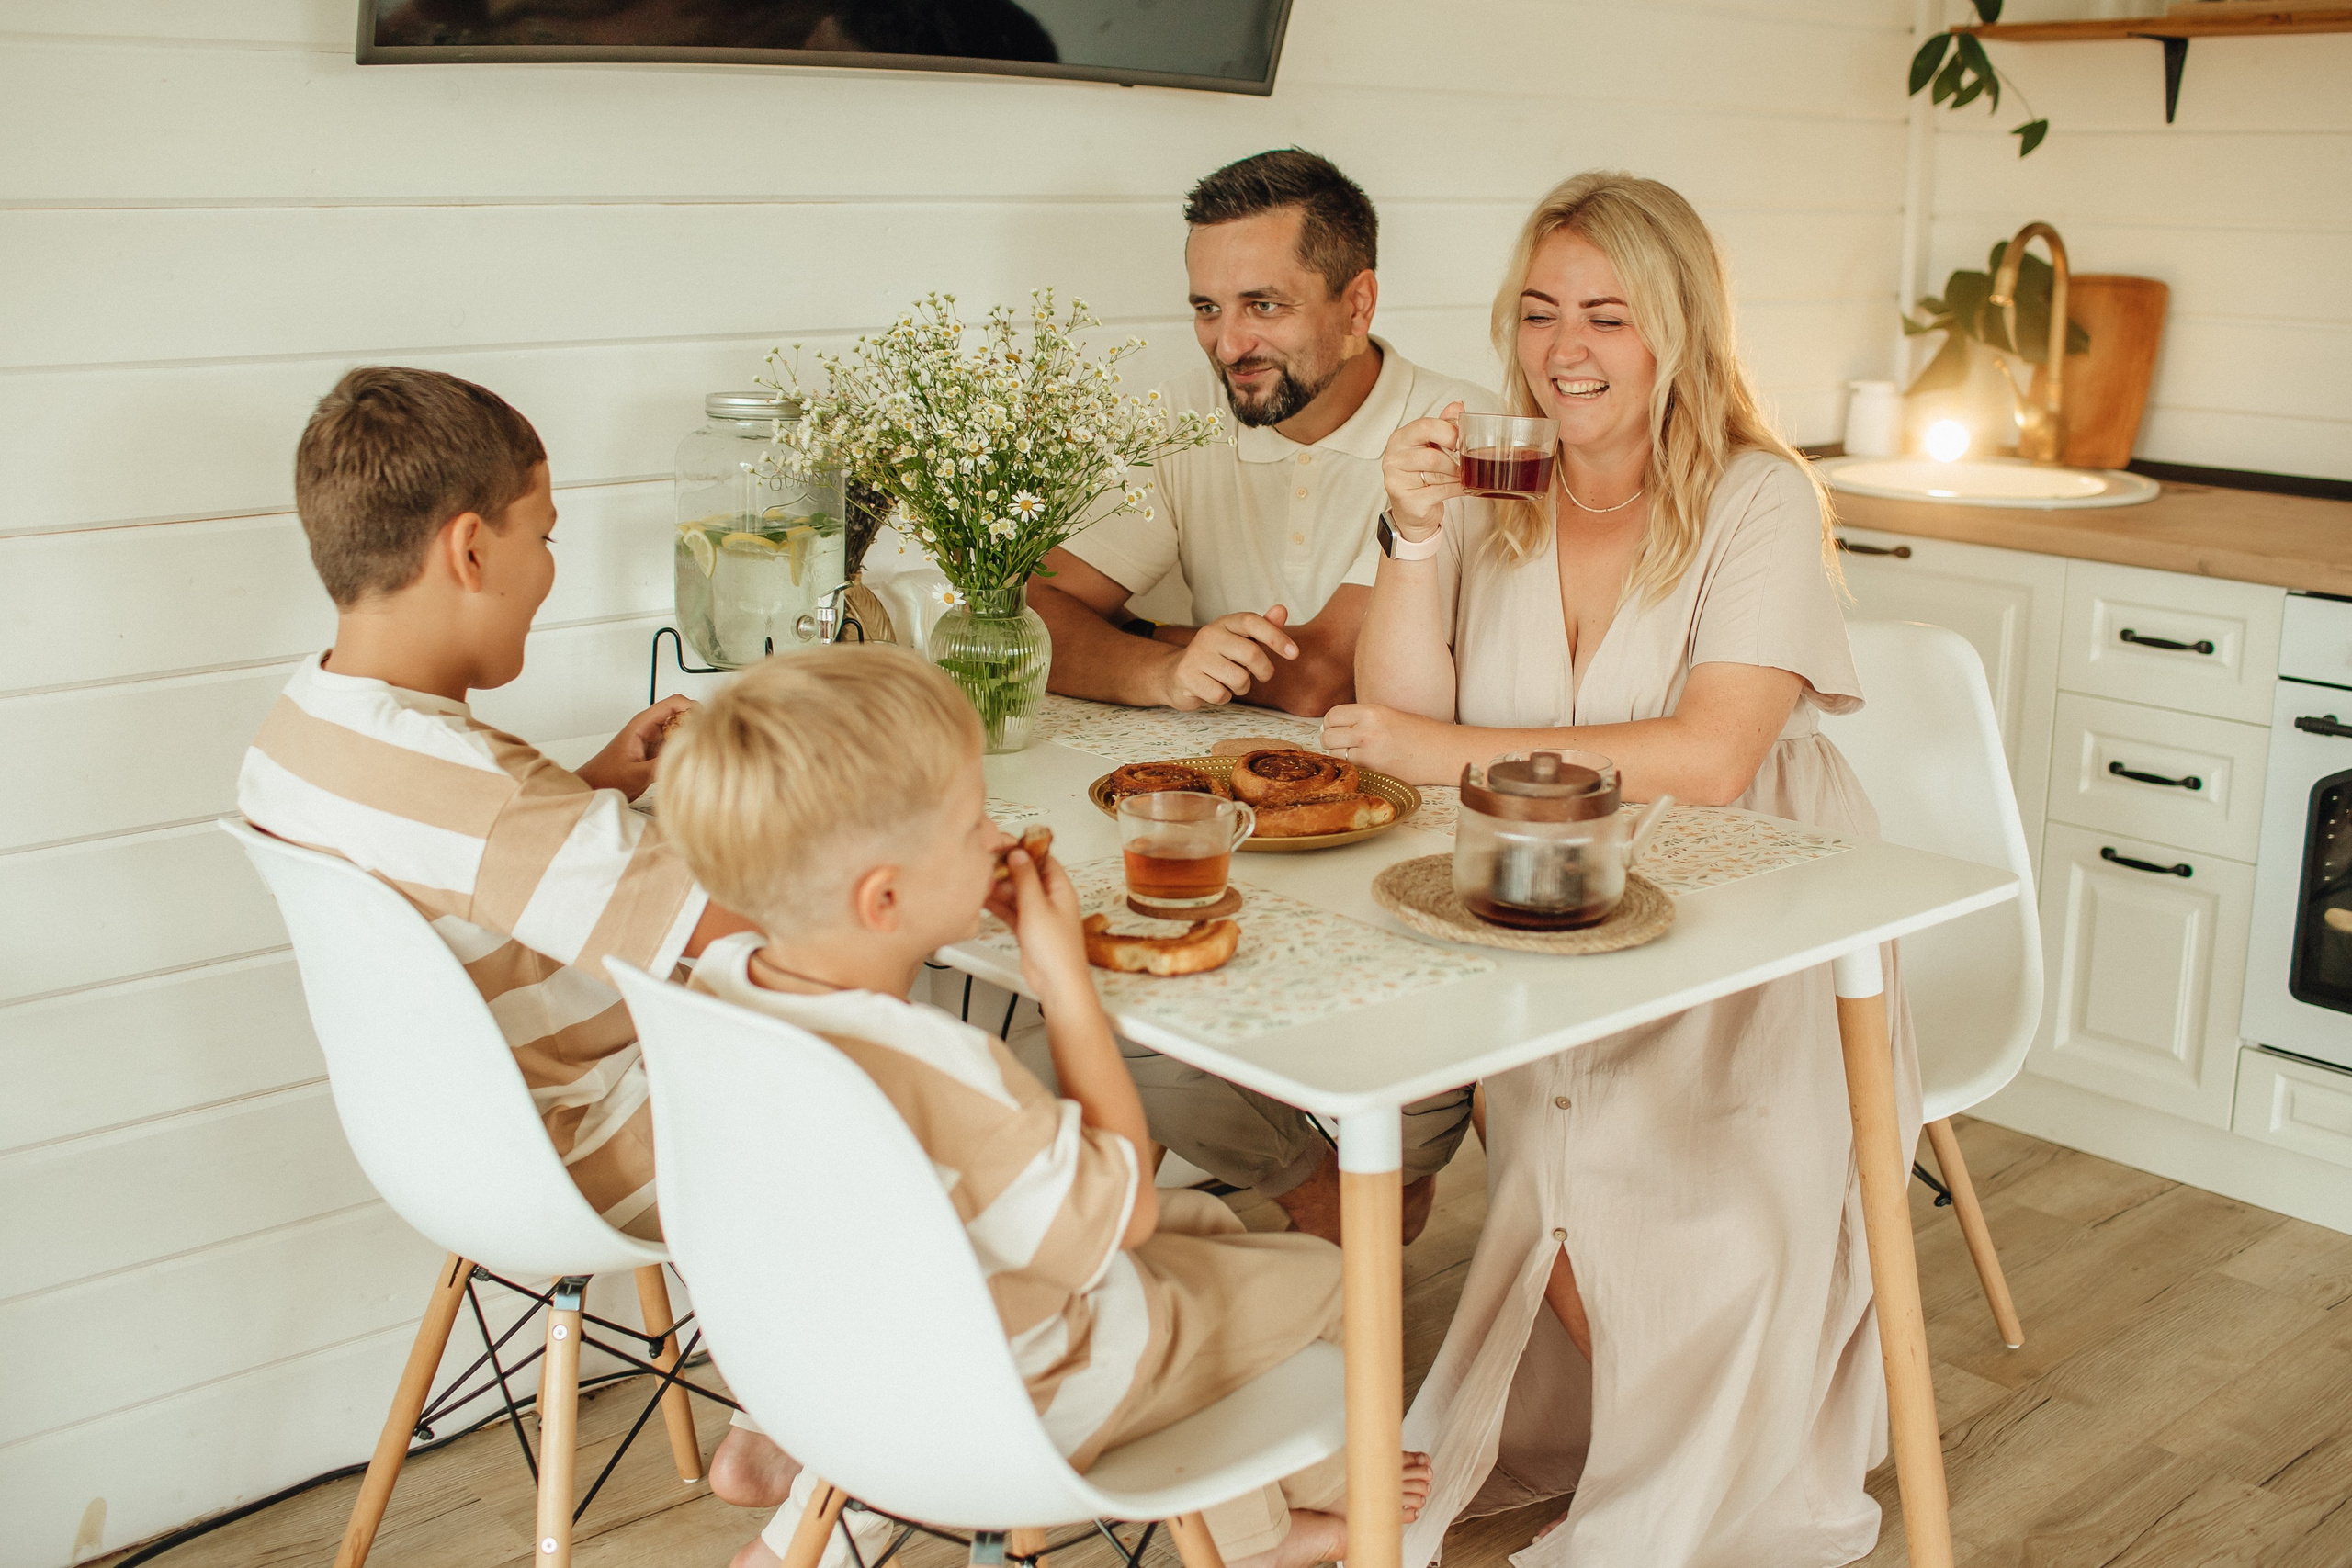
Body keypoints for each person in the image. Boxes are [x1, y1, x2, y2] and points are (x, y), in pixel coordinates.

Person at [1325, 172, 1918, 1567]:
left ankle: (1661, 1502)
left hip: (1756, 906)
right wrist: (1411, 532)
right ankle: (1639, 1461)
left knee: (1674, 1199)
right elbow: (1403, 710)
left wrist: (1431, 740)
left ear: (1680, 332)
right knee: (1577, 1194)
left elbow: (1715, 758)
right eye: (1537, 312)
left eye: (1607, 313)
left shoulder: (1757, 495)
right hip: (1556, 908)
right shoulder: (1497, 485)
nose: (1563, 346)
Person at [656, 648, 1432, 1568]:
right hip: (1013, 1398)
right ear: (886, 897)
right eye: (968, 822)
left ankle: (803, 1536)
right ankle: (1285, 1529)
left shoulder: (715, 991)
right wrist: (1065, 985)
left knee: (1204, 1231)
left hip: (825, 1369)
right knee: (1325, 1277)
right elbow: (1123, 1210)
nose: (996, 836)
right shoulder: (942, 1072)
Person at [234, 366, 802, 1517]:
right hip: (579, 1144)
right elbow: (739, 934)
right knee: (888, 1067)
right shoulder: (491, 798)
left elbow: (460, 843)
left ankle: (783, 1382)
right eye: (545, 534)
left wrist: (590, 786)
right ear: (469, 549)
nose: (552, 567)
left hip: (438, 1145)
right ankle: (809, 1423)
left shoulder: (300, 728)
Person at [1030, 147, 1494, 718]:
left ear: (1356, 307)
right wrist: (1165, 670)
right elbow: (1033, 613)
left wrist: (1144, 632)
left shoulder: (1459, 429)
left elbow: (1325, 680)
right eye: (1207, 308)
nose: (1227, 347)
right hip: (1216, 775)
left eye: (1264, 306)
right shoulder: (1181, 414)